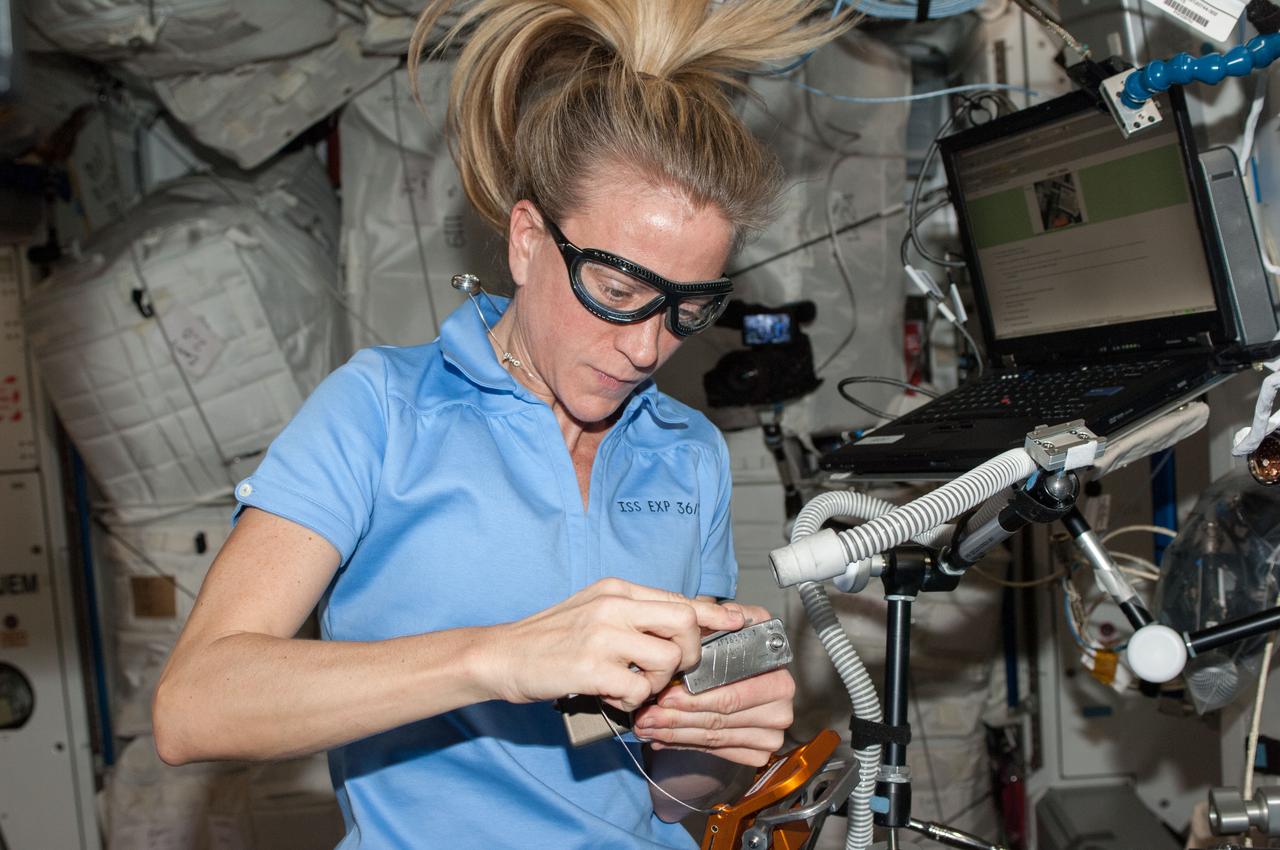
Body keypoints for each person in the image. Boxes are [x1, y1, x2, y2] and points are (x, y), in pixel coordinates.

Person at [152, 1, 854, 847]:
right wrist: (498, 658)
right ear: (526, 240)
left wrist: (725, 735)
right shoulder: (381, 412)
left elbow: (669, 797)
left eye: (685, 310)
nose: (644, 349)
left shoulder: (689, 453)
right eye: (618, 292)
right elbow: (194, 706)